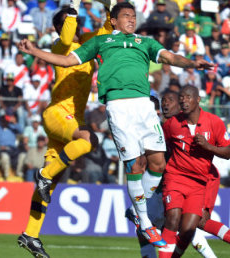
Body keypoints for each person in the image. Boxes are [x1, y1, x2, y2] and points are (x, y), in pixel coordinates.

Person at [18, 1, 213, 249]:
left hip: (124, 108)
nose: (132, 19)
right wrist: (71, 10)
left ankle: (30, 234)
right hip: (70, 112)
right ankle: (143, 219)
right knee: (101, 147)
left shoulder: (134, 41)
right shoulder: (77, 43)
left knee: (157, 162)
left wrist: (192, 63)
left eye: (134, 16)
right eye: (126, 16)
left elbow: (168, 55)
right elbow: (67, 53)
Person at [17, 0, 116, 257]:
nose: (78, 24)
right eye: (72, 22)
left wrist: (110, 7)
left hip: (71, 120)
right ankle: (44, 174)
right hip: (58, 114)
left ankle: (30, 234)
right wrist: (73, 5)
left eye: (78, 20)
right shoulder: (61, 45)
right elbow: (69, 32)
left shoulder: (86, 46)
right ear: (61, 28)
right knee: (89, 139)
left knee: (50, 185)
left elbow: (107, 30)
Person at [126, 91, 217, 258]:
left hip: (177, 186)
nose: (166, 104)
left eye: (170, 101)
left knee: (180, 228)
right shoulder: (164, 128)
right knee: (177, 228)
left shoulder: (180, 128)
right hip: (164, 188)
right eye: (163, 101)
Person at [160, 85, 230, 257]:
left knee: (188, 230)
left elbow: (228, 153)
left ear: (198, 99)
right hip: (175, 178)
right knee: (172, 217)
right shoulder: (172, 124)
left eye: (188, 97)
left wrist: (208, 146)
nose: (184, 101)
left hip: (198, 183)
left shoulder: (214, 122)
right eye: (181, 98)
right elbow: (161, 147)